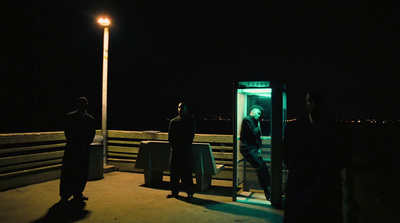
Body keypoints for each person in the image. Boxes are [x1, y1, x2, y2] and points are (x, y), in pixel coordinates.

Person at [283, 91, 352, 223]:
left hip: (315, 190)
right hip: (319, 188)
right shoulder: (337, 129)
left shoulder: (294, 128)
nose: (313, 104)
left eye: (315, 101)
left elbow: (287, 155)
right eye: (310, 101)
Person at [59, 97, 96, 203]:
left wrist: (85, 144)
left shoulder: (90, 119)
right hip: (73, 149)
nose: (84, 106)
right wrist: (77, 143)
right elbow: (68, 132)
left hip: (83, 149)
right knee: (69, 171)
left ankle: (77, 193)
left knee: (81, 172)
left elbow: (91, 134)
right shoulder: (70, 116)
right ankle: (65, 195)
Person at [240, 105, 271, 201]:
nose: (260, 115)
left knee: (263, 167)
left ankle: (269, 188)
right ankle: (267, 191)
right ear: (252, 112)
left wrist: (259, 148)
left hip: (253, 148)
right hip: (247, 148)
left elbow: (258, 137)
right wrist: (258, 125)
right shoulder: (247, 120)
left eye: (260, 114)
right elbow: (252, 133)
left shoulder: (254, 121)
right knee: (259, 166)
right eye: (258, 113)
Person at [167, 102, 196, 200]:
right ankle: (174, 191)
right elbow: (170, 137)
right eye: (179, 107)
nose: (180, 109)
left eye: (182, 108)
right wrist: (175, 147)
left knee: (186, 173)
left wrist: (180, 147)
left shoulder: (190, 121)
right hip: (177, 151)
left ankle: (189, 192)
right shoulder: (173, 121)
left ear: (186, 109)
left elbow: (190, 136)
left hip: (184, 151)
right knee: (174, 173)